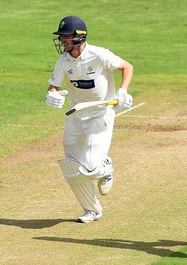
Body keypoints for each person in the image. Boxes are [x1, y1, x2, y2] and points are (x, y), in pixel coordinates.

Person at [45, 16, 133, 223]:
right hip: (75, 114)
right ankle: (91, 210)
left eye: (66, 37)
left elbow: (127, 67)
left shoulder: (99, 54)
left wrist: (122, 92)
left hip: (100, 114)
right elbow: (54, 86)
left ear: (79, 37)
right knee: (71, 167)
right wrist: (52, 95)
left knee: (91, 167)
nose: (62, 41)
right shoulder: (63, 60)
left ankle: (106, 167)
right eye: (62, 37)